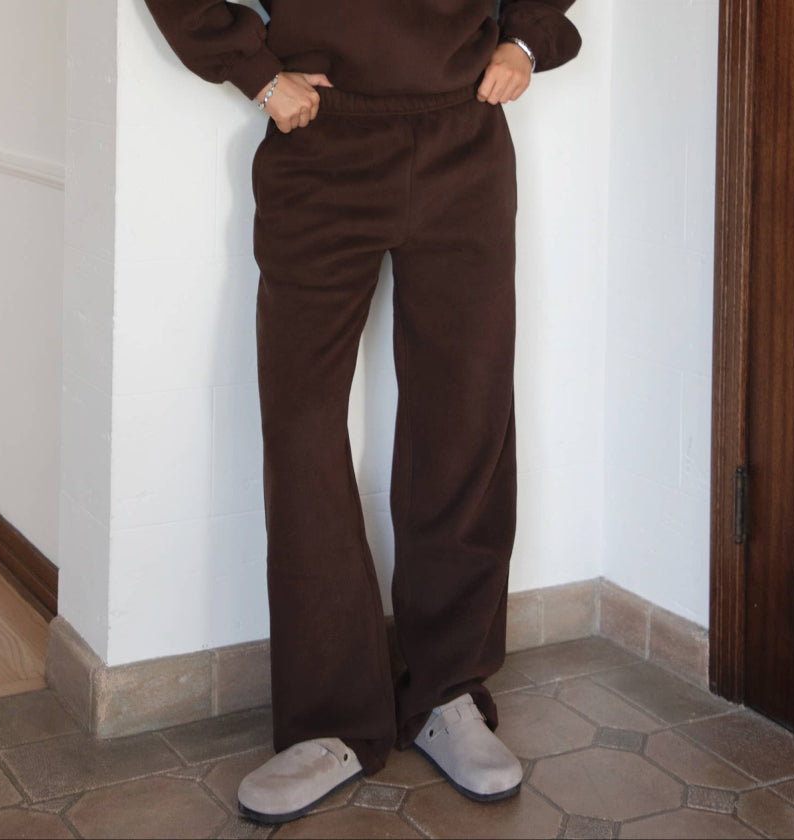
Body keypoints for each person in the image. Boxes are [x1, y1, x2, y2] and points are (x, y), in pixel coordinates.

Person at [143, 0, 581, 824]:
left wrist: (525, 38)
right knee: (303, 428)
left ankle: (448, 690)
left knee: (467, 417)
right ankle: (328, 720)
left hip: (464, 135)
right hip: (320, 142)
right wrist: (254, 72)